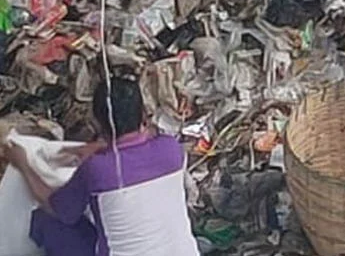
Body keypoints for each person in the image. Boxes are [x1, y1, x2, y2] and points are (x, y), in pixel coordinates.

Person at [3, 77, 200, 256]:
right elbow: (143, 143)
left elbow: (57, 209)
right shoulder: (171, 149)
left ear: (96, 123)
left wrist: (22, 164)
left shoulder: (97, 169)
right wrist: (100, 147)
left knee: (47, 221)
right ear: (143, 114)